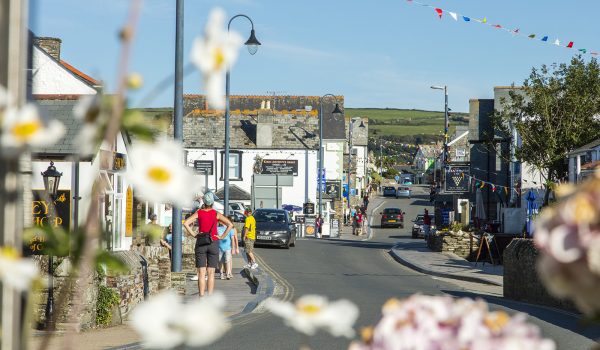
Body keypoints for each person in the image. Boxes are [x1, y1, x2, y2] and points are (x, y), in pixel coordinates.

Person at [183, 192, 233, 297]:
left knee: (201, 273)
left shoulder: (199, 213)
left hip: (201, 242)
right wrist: (222, 236)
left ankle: (201, 296)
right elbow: (230, 224)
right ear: (212, 203)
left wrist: (194, 234)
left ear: (204, 202)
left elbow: (186, 223)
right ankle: (210, 297)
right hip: (213, 242)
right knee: (211, 273)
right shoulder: (216, 214)